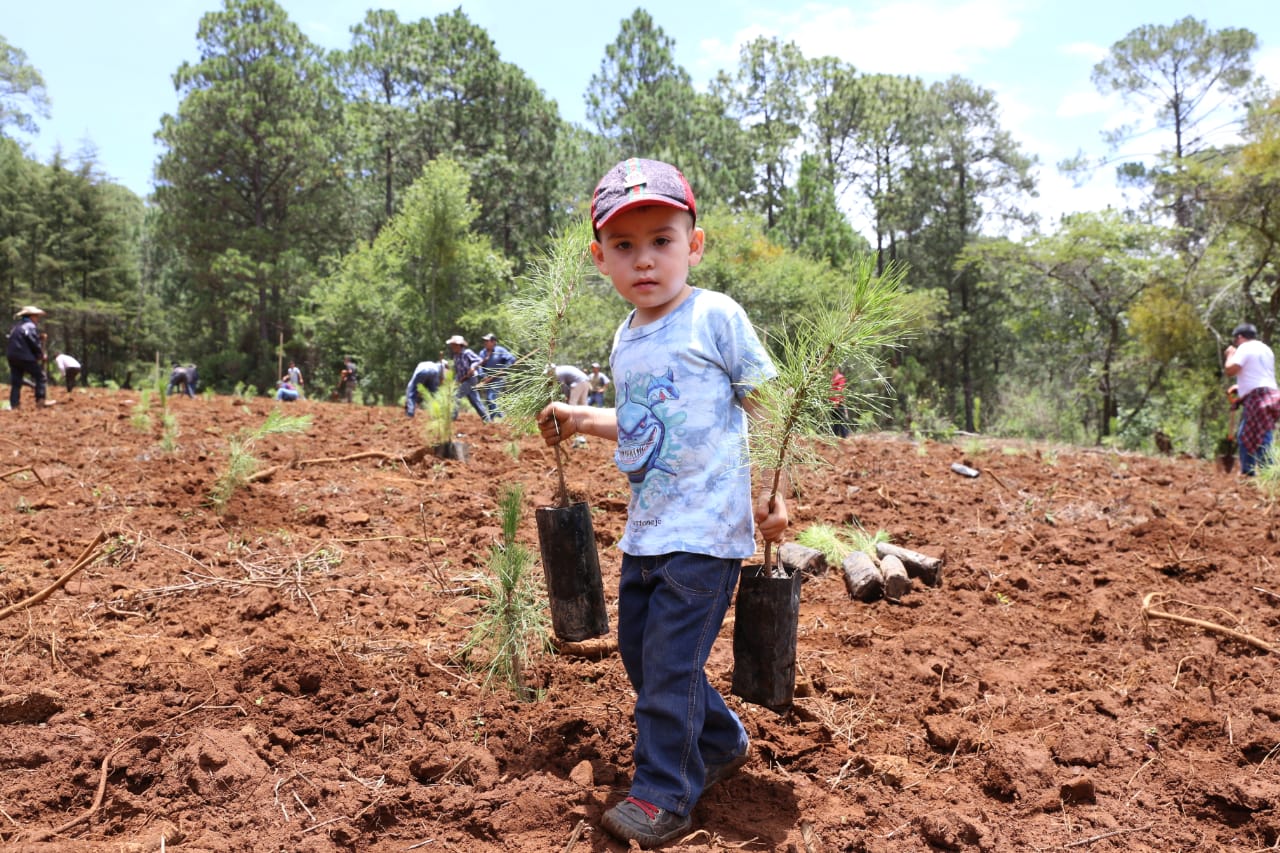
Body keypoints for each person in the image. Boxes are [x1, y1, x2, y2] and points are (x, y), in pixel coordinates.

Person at [537, 157, 788, 849]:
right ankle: (721, 739)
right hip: (647, 529)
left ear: (693, 245)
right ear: (600, 258)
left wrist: (776, 493)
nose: (644, 259)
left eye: (661, 241)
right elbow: (640, 421)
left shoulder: (716, 317)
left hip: (707, 532)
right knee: (643, 658)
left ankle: (663, 794)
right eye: (624, 245)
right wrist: (582, 420)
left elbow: (768, 406)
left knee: (671, 667)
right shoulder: (626, 336)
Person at [1225, 322, 1280, 475]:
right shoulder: (1266, 349)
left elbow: (1230, 370)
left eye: (1236, 340)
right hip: (1271, 395)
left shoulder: (1245, 347)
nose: (1236, 343)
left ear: (1240, 337)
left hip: (1258, 397)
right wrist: (1240, 388)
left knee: (1259, 437)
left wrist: (1230, 355)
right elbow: (1259, 375)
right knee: (1251, 434)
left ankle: (1264, 474)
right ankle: (1251, 473)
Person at [7, 305, 49, 409]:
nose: (37, 319)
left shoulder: (16, 327)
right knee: (41, 377)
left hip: (12, 356)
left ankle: (14, 404)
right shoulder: (30, 326)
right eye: (36, 316)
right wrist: (40, 354)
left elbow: (21, 339)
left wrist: (38, 338)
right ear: (31, 316)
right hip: (24, 356)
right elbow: (32, 342)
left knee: (16, 381)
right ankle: (40, 401)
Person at [446, 335, 488, 421]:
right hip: (463, 380)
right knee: (475, 401)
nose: (451, 347)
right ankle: (487, 420)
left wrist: (472, 367)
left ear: (458, 345)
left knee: (455, 396)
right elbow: (459, 371)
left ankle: (452, 418)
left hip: (470, 379)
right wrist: (456, 381)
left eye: (453, 345)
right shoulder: (456, 356)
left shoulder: (467, 353)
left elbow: (479, 360)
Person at [477, 333, 516, 419]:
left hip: (498, 378)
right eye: (484, 341)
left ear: (493, 342)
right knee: (489, 400)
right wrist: (483, 376)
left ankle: (497, 418)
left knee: (491, 397)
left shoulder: (500, 350)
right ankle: (496, 417)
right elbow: (479, 366)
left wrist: (505, 368)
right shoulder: (482, 353)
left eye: (487, 341)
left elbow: (512, 359)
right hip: (487, 379)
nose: (485, 342)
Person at [830, 369, 850, 438]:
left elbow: (840, 390)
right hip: (833, 403)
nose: (832, 370)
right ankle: (835, 435)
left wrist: (837, 401)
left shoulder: (840, 377)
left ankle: (844, 436)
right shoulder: (833, 379)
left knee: (841, 419)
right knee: (835, 420)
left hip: (838, 403)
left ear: (837, 369)